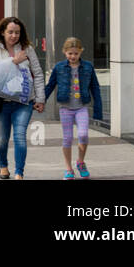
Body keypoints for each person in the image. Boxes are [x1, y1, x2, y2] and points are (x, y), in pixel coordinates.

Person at [0, 15, 45, 180]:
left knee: (20, 136)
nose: (14, 36)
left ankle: (19, 172)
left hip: (24, 102)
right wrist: (14, 61)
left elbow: (38, 74)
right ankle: (3, 166)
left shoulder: (28, 49)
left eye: (17, 32)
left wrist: (40, 99)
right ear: (3, 32)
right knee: (2, 139)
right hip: (1, 103)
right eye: (10, 32)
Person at [44, 36, 102, 179]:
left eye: (76, 53)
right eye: (70, 53)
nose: (73, 56)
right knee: (68, 138)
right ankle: (68, 169)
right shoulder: (59, 68)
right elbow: (50, 86)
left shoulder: (88, 67)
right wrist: (40, 101)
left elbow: (95, 87)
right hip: (65, 108)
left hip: (82, 107)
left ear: (80, 52)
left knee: (83, 134)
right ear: (65, 52)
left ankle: (80, 162)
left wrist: (98, 109)